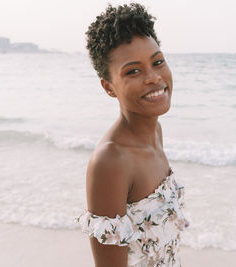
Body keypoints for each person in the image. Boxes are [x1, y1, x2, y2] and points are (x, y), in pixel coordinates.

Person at [76, 3, 189, 267]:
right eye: (133, 71)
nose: (153, 77)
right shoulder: (111, 161)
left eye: (158, 62)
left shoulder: (155, 133)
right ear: (109, 87)